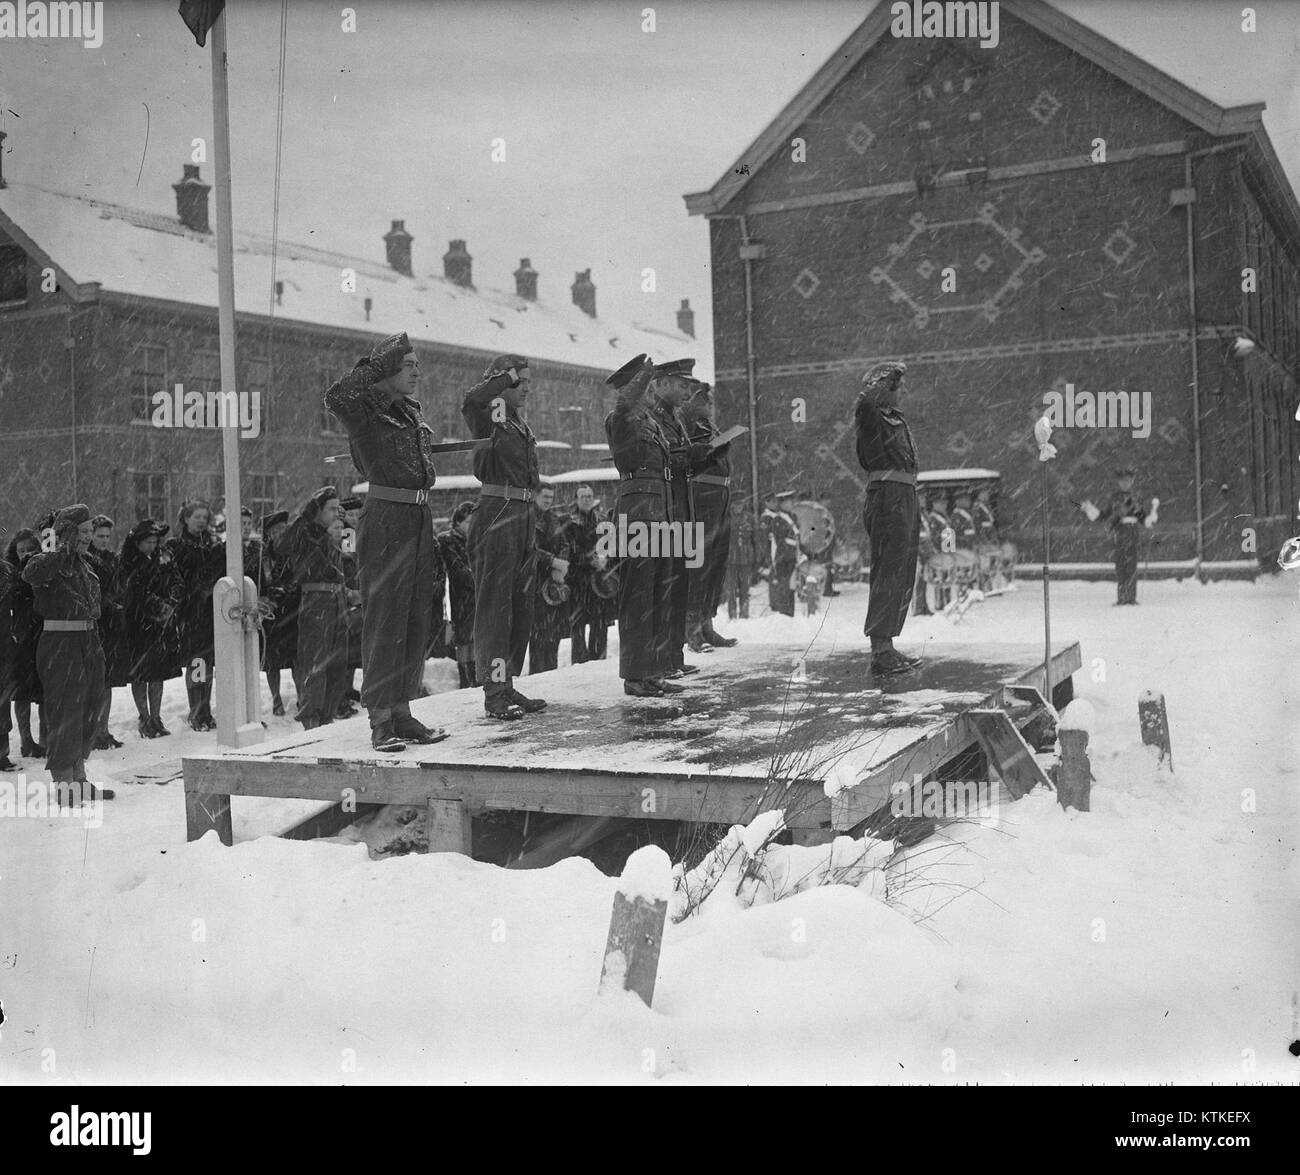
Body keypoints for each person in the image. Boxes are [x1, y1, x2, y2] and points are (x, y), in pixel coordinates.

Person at [324, 331, 446, 750]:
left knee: (414, 617)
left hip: (418, 517)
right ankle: (380, 718)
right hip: (387, 519)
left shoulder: (409, 413)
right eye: (408, 365)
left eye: (417, 365)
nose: (417, 373)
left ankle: (402, 710)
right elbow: (337, 395)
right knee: (385, 617)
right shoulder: (365, 414)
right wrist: (377, 364)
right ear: (388, 371)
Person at [462, 353, 547, 720]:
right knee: (496, 608)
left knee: (520, 607)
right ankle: (494, 691)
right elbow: (473, 400)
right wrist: (504, 378)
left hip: (522, 516)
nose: (526, 387)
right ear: (503, 383)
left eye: (528, 381)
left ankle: (507, 682)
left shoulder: (517, 423)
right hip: (497, 516)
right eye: (520, 382)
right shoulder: (493, 416)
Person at [604, 354, 687, 697]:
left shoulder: (649, 423)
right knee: (638, 595)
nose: (650, 391)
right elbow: (624, 407)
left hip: (659, 509)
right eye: (645, 385)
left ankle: (652, 669)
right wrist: (642, 378)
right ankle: (635, 674)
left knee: (657, 593)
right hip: (637, 510)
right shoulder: (620, 418)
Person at [21, 504, 114, 801]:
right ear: (69, 532)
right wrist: (57, 547)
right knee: (65, 711)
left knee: (89, 707)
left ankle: (79, 777)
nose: (88, 537)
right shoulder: (49, 560)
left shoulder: (85, 565)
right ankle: (64, 784)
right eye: (83, 532)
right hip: (61, 643)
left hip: (88, 641)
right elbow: (31, 574)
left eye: (90, 531)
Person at [854, 361, 922, 675]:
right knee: (888, 570)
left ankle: (888, 643)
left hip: (905, 495)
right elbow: (864, 401)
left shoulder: (896, 419)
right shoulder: (870, 416)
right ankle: (879, 650)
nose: (902, 392)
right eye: (898, 386)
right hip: (887, 497)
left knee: (902, 570)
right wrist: (881, 377)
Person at [284, 487, 350, 730]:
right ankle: (311, 717)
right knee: (316, 662)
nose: (336, 514)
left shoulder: (334, 535)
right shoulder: (306, 531)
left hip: (337, 601)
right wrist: (307, 517)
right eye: (331, 508)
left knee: (338, 663)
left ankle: (327, 715)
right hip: (316, 600)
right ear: (317, 511)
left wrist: (347, 520)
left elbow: (351, 549)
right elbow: (285, 544)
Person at [681, 381, 737, 652]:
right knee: (699, 565)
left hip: (719, 499)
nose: (709, 406)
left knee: (716, 564)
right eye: (703, 401)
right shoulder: (687, 424)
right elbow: (689, 457)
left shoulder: (708, 427)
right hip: (701, 497)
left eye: (709, 401)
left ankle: (707, 625)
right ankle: (692, 630)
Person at [167, 499, 225, 730]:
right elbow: (174, 578)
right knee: (197, 662)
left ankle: (205, 708)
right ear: (186, 519)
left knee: (207, 662)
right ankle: (197, 710)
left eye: (204, 517)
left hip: (211, 611)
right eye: (196, 517)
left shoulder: (213, 544)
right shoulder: (177, 546)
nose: (201, 521)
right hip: (191, 612)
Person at [121, 519, 182, 737]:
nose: (152, 545)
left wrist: (172, 601)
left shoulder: (163, 557)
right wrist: (157, 606)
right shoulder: (129, 562)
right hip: (139, 624)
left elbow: (176, 580)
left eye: (155, 541)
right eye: (147, 541)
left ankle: (156, 717)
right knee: (140, 674)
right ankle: (144, 717)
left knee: (158, 673)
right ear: (137, 542)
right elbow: (134, 593)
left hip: (161, 626)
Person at [1080, 467, 1157, 605]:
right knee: (1120, 566)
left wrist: (1149, 520)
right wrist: (1090, 510)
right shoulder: (1114, 498)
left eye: (1127, 480)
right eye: (1122, 481)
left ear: (1132, 481)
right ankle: (1122, 597)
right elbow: (1104, 515)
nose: (1124, 484)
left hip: (1132, 533)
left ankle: (1131, 598)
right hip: (1119, 532)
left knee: (1131, 566)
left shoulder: (1136, 498)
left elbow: (1142, 517)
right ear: (1118, 482)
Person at [84, 514, 128, 749]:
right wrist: (110, 602)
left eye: (107, 536)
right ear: (91, 535)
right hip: (96, 624)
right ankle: (93, 731)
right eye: (100, 536)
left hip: (113, 626)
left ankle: (103, 729)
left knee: (108, 680)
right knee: (96, 681)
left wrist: (119, 602)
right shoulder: (86, 559)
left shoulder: (112, 559)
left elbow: (122, 585)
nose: (104, 540)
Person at [5, 528, 45, 759]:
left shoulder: (43, 572)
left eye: (31, 549)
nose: (26, 554)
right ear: (14, 552)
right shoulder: (10, 574)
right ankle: (26, 741)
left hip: (41, 634)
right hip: (19, 640)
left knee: (43, 691)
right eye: (22, 550)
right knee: (22, 693)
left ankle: (44, 739)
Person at [257, 511, 299, 717]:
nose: (281, 533)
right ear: (269, 533)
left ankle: (302, 697)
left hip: (293, 611)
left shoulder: (295, 551)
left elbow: (300, 576)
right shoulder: (264, 555)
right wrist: (269, 595)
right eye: (276, 530)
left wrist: (288, 589)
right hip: (273, 615)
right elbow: (262, 582)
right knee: (273, 662)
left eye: (284, 529)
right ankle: (276, 699)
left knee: (296, 659)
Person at [527, 484, 570, 675]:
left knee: (554, 636)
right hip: (533, 585)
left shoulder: (554, 518)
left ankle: (551, 676)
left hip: (553, 586)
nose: (548, 501)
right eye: (545, 496)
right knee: (537, 638)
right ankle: (537, 678)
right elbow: (528, 550)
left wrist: (560, 565)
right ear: (536, 496)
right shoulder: (527, 518)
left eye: (551, 497)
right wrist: (552, 562)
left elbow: (565, 544)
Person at [565, 484, 610, 663]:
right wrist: (587, 559)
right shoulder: (569, 522)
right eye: (583, 496)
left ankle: (599, 660)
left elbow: (609, 546)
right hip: (577, 580)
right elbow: (568, 550)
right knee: (578, 626)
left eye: (590, 496)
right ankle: (579, 663)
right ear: (576, 499)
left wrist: (605, 559)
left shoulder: (602, 520)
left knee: (600, 624)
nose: (587, 499)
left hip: (598, 582)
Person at [438, 501, 478, 688]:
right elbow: (457, 569)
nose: (472, 526)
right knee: (464, 640)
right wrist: (478, 580)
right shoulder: (448, 541)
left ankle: (476, 676)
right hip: (459, 598)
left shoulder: (477, 539)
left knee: (476, 639)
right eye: (469, 522)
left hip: (474, 598)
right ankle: (466, 679)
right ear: (458, 522)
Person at [338, 497, 365, 709]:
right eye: (351, 514)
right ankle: (344, 690)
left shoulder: (357, 532)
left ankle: (348, 689)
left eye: (358, 513)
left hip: (358, 593)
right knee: (351, 648)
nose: (355, 518)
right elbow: (350, 559)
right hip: (352, 593)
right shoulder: (347, 534)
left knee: (356, 649)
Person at [759, 490, 799, 617]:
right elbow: (778, 543)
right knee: (783, 587)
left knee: (790, 587)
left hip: (792, 557)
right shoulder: (778, 519)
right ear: (783, 503)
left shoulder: (792, 517)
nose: (793, 503)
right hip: (783, 559)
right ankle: (783, 614)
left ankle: (788, 614)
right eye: (790, 501)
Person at [724, 497, 757, 620]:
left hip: (746, 558)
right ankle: (732, 615)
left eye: (741, 504)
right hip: (730, 558)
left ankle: (744, 614)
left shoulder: (749, 518)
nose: (739, 507)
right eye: (736, 505)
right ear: (732, 505)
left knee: (745, 588)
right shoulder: (726, 518)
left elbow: (755, 538)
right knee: (731, 589)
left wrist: (757, 558)